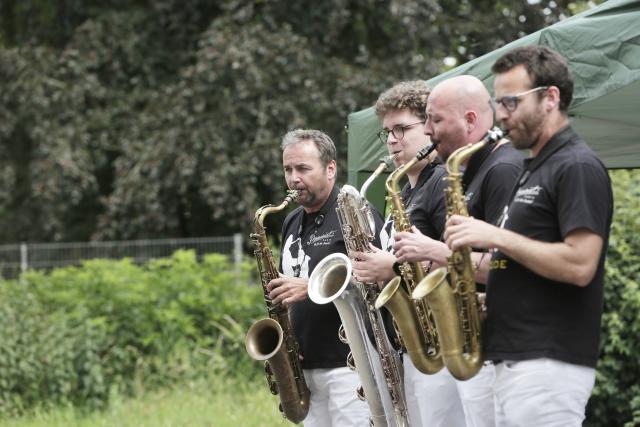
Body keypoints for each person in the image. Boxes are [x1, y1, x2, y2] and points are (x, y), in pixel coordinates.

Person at [444, 45, 613, 426]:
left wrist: (496, 236)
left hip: (547, 364)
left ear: (550, 98)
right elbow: (519, 261)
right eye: (497, 102)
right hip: (516, 361)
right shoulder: (534, 167)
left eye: (510, 102)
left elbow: (581, 263)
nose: (501, 114)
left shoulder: (577, 165)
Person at [391, 74, 524, 427]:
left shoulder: (503, 169)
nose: (429, 131)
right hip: (476, 343)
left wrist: (433, 250)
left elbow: (509, 267)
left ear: (470, 120)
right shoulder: (466, 171)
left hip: (499, 348)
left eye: (435, 120)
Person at [351, 80, 467, 427]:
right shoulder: (403, 189)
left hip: (442, 347)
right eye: (387, 132)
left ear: (430, 127)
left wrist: (391, 268)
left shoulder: (443, 182)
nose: (391, 140)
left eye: (402, 129)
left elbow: (460, 263)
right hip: (413, 345)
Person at [266, 129, 371, 426]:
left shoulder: (353, 211)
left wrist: (310, 286)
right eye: (288, 169)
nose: (293, 178)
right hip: (305, 370)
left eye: (302, 168)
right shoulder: (291, 220)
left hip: (349, 367)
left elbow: (373, 280)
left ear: (330, 169)